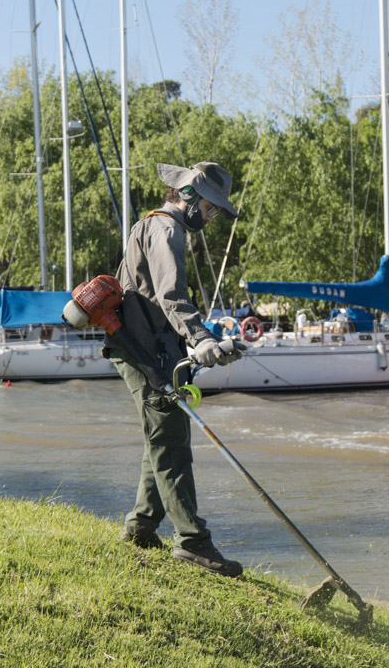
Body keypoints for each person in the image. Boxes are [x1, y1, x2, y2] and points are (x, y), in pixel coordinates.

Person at [106, 161, 247, 577]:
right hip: (143, 351)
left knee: (164, 435)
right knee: (170, 442)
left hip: (154, 351)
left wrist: (194, 342)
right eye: (211, 207)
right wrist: (201, 339)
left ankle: (141, 527)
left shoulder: (151, 224)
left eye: (217, 210)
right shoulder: (167, 230)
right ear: (187, 195)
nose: (212, 215)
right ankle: (192, 542)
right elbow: (171, 295)